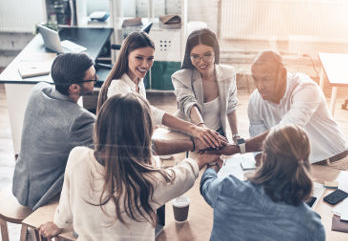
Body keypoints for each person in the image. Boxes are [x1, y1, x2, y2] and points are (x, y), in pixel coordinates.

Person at [38, 93, 220, 240]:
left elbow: (67, 198)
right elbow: (182, 176)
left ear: (100, 126)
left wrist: (59, 222)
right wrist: (199, 160)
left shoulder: (77, 156)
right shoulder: (149, 181)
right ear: (145, 134)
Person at [216, 50, 348, 171]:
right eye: (255, 79)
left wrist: (235, 148)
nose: (260, 86)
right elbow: (258, 144)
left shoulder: (306, 88)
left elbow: (286, 131)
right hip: (297, 168)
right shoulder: (255, 100)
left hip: (332, 163)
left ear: (283, 74)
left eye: (266, 79)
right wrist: (260, 160)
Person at [97, 31, 225, 148]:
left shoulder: (138, 81)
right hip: (127, 151)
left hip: (141, 142)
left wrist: (195, 129)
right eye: (139, 58)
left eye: (150, 59)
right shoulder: (118, 87)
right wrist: (194, 129)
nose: (145, 65)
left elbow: (148, 113)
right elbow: (151, 113)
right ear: (126, 56)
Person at [200, 124, 325, 241]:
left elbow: (206, 184)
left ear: (263, 158)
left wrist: (213, 166)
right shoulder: (311, 226)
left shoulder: (227, 188)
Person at [12, 53, 97, 210]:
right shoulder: (80, 120)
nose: (96, 80)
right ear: (74, 87)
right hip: (42, 194)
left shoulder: (38, 90)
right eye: (92, 78)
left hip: (20, 183)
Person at [171, 28, 240, 141]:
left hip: (216, 133)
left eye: (207, 55)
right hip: (188, 134)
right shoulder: (180, 77)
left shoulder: (228, 74)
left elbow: (231, 107)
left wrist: (236, 135)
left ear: (215, 53)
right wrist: (202, 128)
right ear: (189, 56)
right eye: (195, 56)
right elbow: (189, 103)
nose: (202, 62)